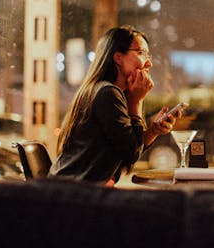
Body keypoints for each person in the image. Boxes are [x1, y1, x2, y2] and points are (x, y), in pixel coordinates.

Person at [50, 25, 178, 184]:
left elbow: (127, 146)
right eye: (141, 53)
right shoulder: (107, 93)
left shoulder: (105, 91)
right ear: (118, 57)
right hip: (75, 195)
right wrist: (137, 100)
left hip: (76, 189)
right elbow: (130, 154)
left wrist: (152, 131)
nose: (149, 63)